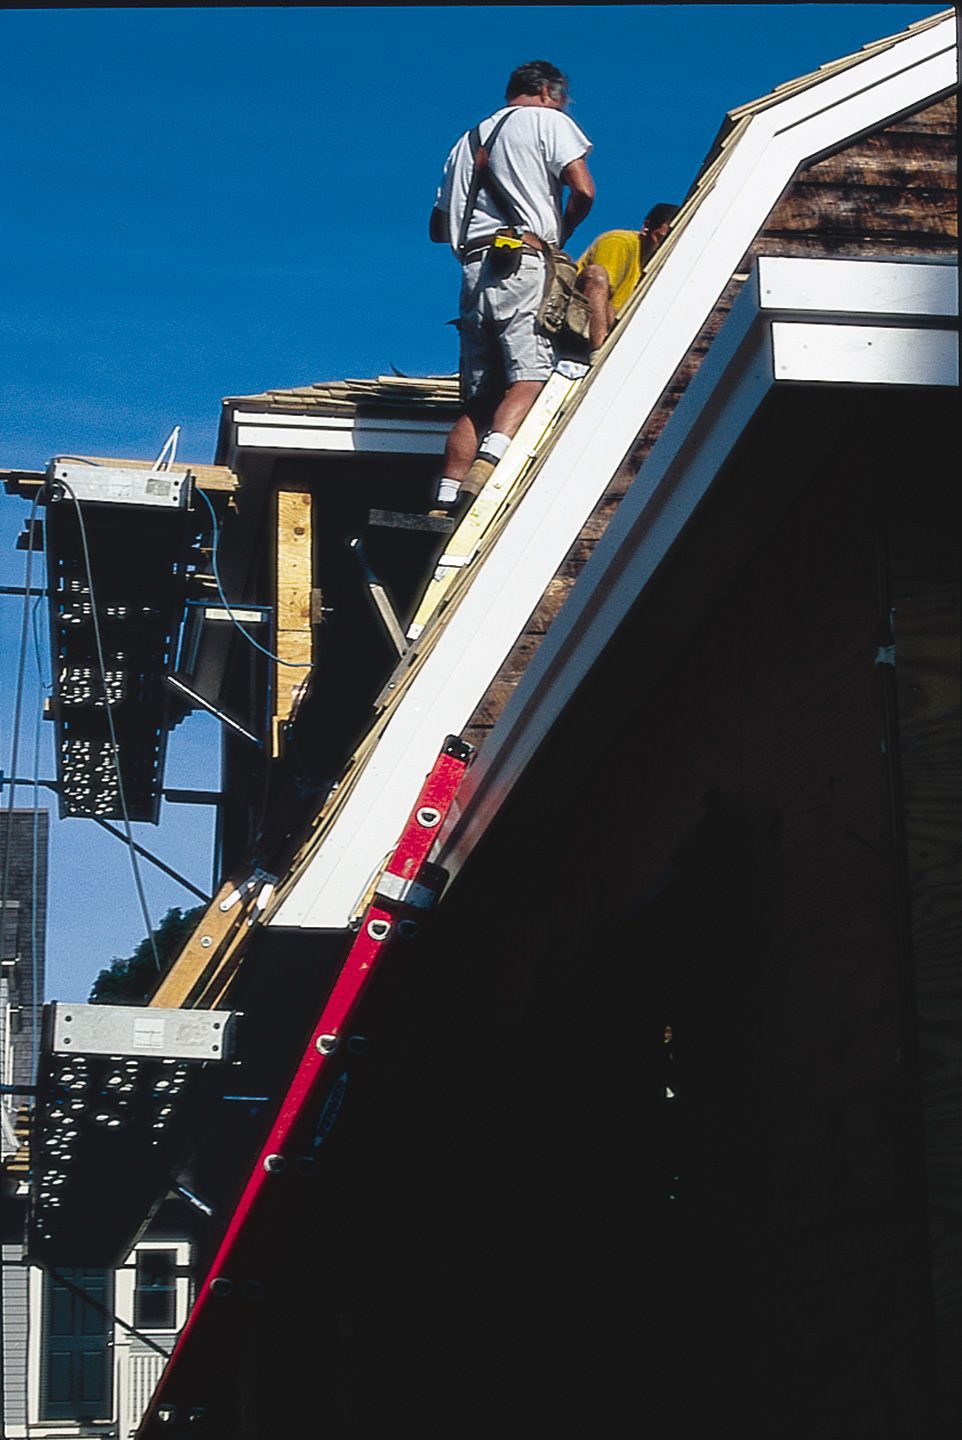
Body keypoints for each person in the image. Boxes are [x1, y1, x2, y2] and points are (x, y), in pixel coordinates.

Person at [429, 60, 595, 515]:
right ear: (546, 91)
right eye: (562, 98)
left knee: (478, 398)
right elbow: (584, 190)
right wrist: (561, 227)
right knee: (532, 376)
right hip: (521, 260)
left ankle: (445, 495)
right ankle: (488, 465)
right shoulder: (549, 122)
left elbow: (437, 227)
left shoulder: (466, 142)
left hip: (473, 268)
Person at [576, 202, 680, 354]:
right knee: (597, 276)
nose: (663, 246)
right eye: (661, 238)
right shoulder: (619, 242)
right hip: (580, 315)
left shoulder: (661, 267)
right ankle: (597, 351)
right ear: (646, 227)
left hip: (618, 330)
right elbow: (603, 301)